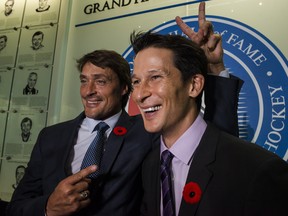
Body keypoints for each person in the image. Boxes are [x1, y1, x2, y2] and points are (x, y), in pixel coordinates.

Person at [7, 3, 242, 216]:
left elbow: (215, 148)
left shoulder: (146, 130)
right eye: (83, 80)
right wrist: (48, 207)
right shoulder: (50, 137)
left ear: (123, 89)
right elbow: (16, 207)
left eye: (100, 81)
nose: (88, 91)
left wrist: (214, 68)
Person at [130, 10, 288, 216]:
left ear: (194, 85)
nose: (140, 94)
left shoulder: (259, 170)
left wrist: (213, 67)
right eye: (136, 81)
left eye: (155, 77)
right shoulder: (149, 165)